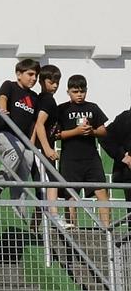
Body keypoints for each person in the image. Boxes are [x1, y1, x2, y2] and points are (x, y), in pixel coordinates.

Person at [50, 74, 111, 208]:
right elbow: (56, 134)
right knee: (70, 194)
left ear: (86, 91)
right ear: (68, 92)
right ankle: (71, 228)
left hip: (91, 158)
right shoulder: (62, 109)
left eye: (82, 91)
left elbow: (103, 131)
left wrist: (92, 131)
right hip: (70, 159)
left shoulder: (93, 107)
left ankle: (107, 228)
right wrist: (76, 132)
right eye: (75, 92)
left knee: (101, 190)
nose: (79, 95)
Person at [0, 58, 50, 191]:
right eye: (30, 74)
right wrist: (3, 112)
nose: (34, 78)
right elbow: (2, 98)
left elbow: (34, 123)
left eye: (36, 75)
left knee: (24, 172)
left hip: (24, 141)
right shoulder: (9, 85)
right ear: (19, 74)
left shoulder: (34, 97)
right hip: (3, 134)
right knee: (16, 150)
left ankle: (21, 209)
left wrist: (31, 143)